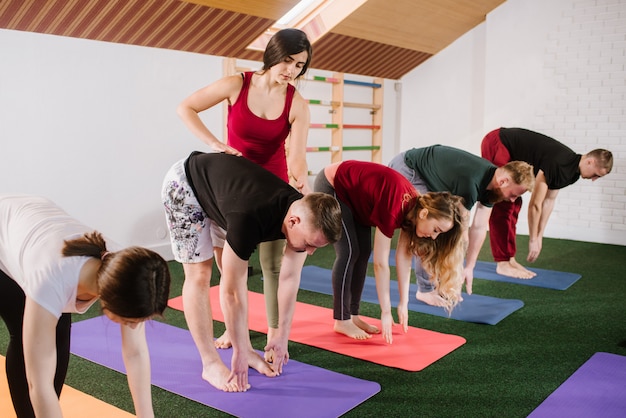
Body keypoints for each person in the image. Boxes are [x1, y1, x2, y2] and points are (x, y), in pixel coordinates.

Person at [176, 28, 313, 352]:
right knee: (231, 271)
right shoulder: (237, 84)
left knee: (274, 267)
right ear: (272, 55)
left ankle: (276, 334)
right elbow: (186, 108)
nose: (291, 71)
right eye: (288, 61)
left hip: (275, 192)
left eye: (299, 66)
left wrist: (302, 187)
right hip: (232, 192)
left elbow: (297, 156)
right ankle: (233, 329)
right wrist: (214, 143)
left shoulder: (298, 103)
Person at [162, 151, 341, 392]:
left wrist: (280, 336)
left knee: (230, 268)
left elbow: (289, 278)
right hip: (186, 186)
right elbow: (232, 293)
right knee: (200, 275)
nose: (309, 252)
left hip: (222, 193)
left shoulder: (301, 211)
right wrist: (236, 351)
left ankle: (247, 348)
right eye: (310, 244)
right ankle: (210, 363)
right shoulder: (248, 218)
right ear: (293, 222)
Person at [0, 194, 171, 418]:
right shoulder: (49, 281)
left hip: (33, 225)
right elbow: (39, 384)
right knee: (27, 335)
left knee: (58, 332)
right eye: (130, 321)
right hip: (7, 230)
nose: (133, 327)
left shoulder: (127, 268)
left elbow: (136, 354)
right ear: (109, 302)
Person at [314, 160, 466, 344]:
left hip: (355, 199)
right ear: (425, 214)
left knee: (363, 253)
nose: (434, 237)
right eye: (436, 230)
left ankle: (353, 315)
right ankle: (342, 320)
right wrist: (385, 311)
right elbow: (380, 263)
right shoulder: (396, 205)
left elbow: (403, 258)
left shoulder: (413, 211)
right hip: (333, 186)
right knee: (349, 252)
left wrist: (404, 303)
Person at [389, 145, 535, 306]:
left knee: (441, 228)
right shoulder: (471, 183)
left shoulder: (492, 186)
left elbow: (479, 227)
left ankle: (437, 284)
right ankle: (425, 290)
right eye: (513, 195)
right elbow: (461, 236)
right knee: (429, 229)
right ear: (503, 181)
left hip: (429, 177)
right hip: (410, 168)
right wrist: (455, 276)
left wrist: (469, 268)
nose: (513, 200)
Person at [481, 127, 613, 278]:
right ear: (590, 161)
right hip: (499, 141)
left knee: (515, 204)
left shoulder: (572, 173)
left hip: (511, 150)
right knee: (503, 202)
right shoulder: (559, 162)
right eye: (596, 174)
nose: (594, 179)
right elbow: (535, 204)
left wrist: (539, 237)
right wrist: (532, 239)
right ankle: (502, 263)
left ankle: (509, 259)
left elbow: (548, 201)